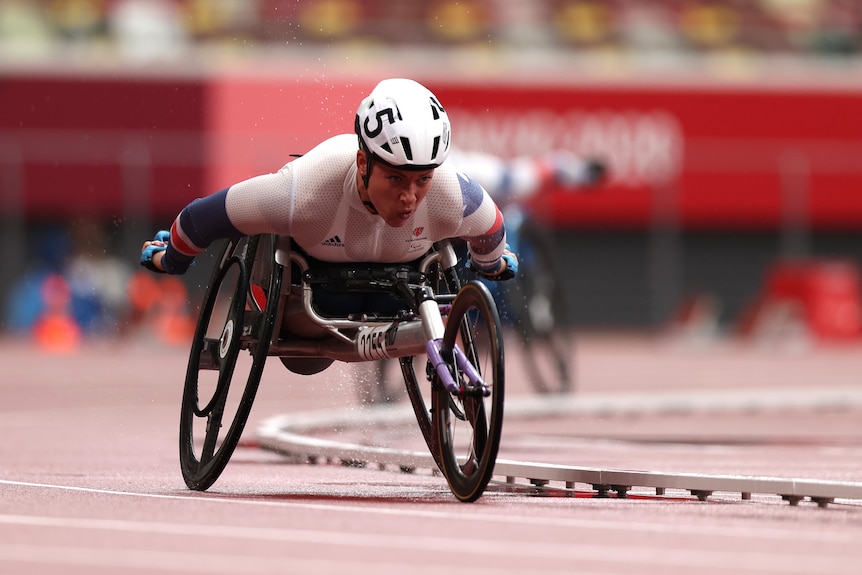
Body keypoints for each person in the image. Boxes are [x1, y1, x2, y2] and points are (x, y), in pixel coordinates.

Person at [140, 77, 518, 372]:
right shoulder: (304, 191)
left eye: (423, 180)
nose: (410, 198)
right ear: (362, 162)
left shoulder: (452, 194)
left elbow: (492, 230)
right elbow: (202, 217)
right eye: (396, 179)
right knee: (305, 363)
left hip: (401, 300)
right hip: (314, 307)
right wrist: (173, 257)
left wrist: (489, 266)